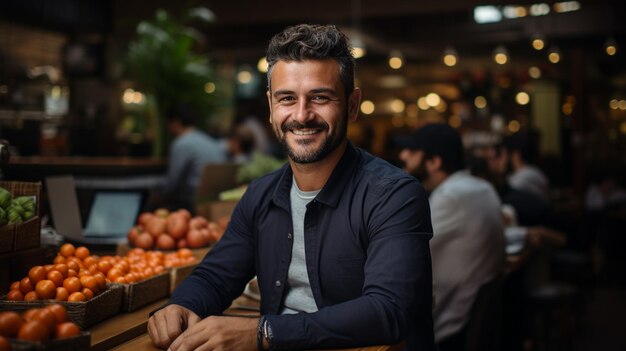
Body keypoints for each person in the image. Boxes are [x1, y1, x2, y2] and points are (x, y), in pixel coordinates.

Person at [148, 24, 435, 351]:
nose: (302, 115)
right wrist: (181, 306)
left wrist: (262, 333)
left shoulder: (395, 195)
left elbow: (389, 311)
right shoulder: (260, 194)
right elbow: (215, 277)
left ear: (352, 105)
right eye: (287, 99)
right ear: (271, 107)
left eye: (320, 97)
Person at [396, 123, 505, 350]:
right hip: (474, 322)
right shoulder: (481, 187)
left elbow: (401, 255)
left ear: (434, 162)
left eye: (412, 152)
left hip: (446, 330)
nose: (403, 155)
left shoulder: (450, 197)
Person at [147, 104, 227, 213]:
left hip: (191, 204)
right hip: (216, 201)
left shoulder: (181, 143)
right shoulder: (210, 141)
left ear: (175, 122)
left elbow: (172, 184)